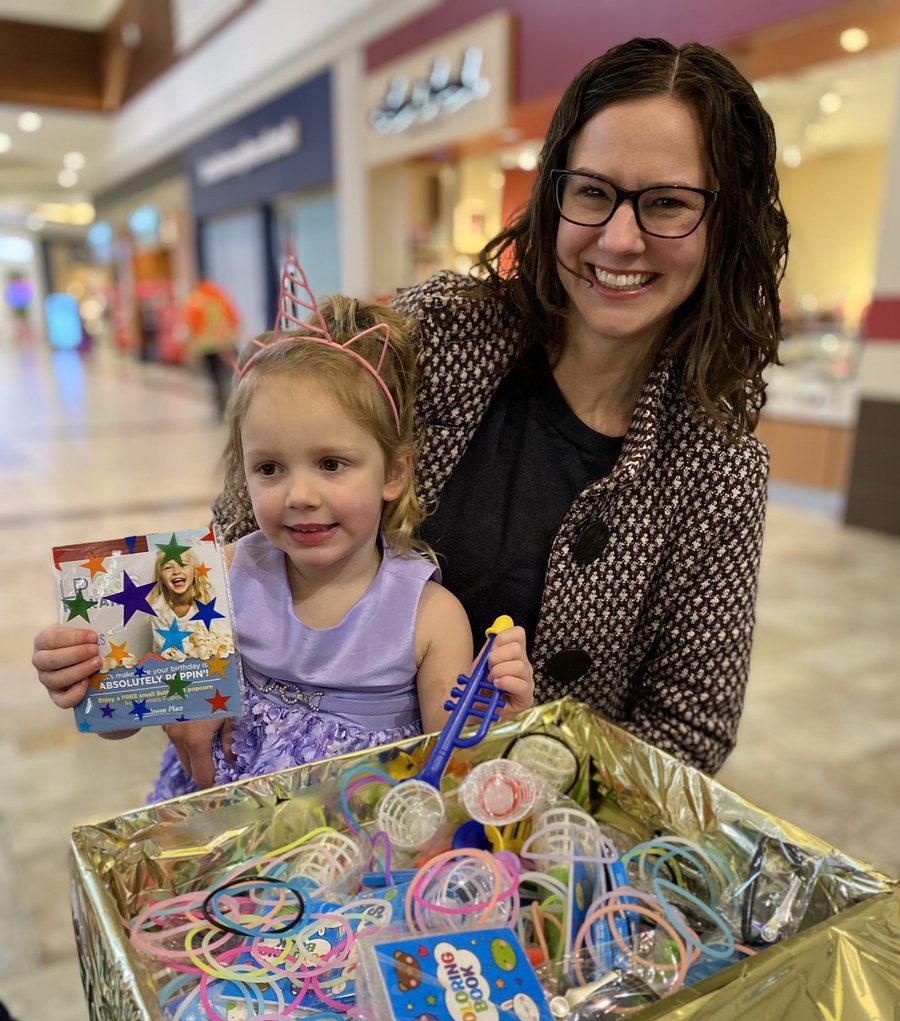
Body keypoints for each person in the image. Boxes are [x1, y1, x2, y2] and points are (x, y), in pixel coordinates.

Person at [208, 37, 788, 782]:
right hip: (298, 808)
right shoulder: (442, 333)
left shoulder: (717, 471)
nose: (618, 237)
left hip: (517, 847)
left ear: (726, 223)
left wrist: (534, 761)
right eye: (592, 191)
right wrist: (176, 677)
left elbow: (689, 731)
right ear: (554, 193)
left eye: (667, 203)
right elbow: (237, 519)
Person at [32, 282, 534, 801]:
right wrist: (82, 672)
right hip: (219, 838)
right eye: (270, 468)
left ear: (395, 472)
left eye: (331, 464)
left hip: (350, 852)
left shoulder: (428, 618)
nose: (299, 495)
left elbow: (450, 775)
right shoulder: (216, 577)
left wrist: (497, 716)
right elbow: (134, 710)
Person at [182, 279, 241, 416]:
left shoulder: (195, 301)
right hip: (226, 343)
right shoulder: (220, 297)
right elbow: (234, 318)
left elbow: (192, 326)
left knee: (215, 379)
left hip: (207, 347)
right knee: (231, 376)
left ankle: (221, 408)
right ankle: (235, 406)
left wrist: (189, 349)